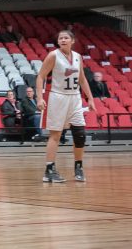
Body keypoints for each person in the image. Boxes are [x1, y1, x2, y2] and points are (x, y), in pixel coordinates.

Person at [35, 29, 95, 183]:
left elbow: (82, 79)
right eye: (60, 38)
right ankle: (49, 170)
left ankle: (78, 167)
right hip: (58, 96)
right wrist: (40, 98)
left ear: (72, 41)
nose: (62, 40)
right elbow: (41, 76)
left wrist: (90, 98)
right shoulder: (53, 55)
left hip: (74, 98)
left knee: (80, 134)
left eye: (65, 38)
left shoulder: (78, 57)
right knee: (55, 134)